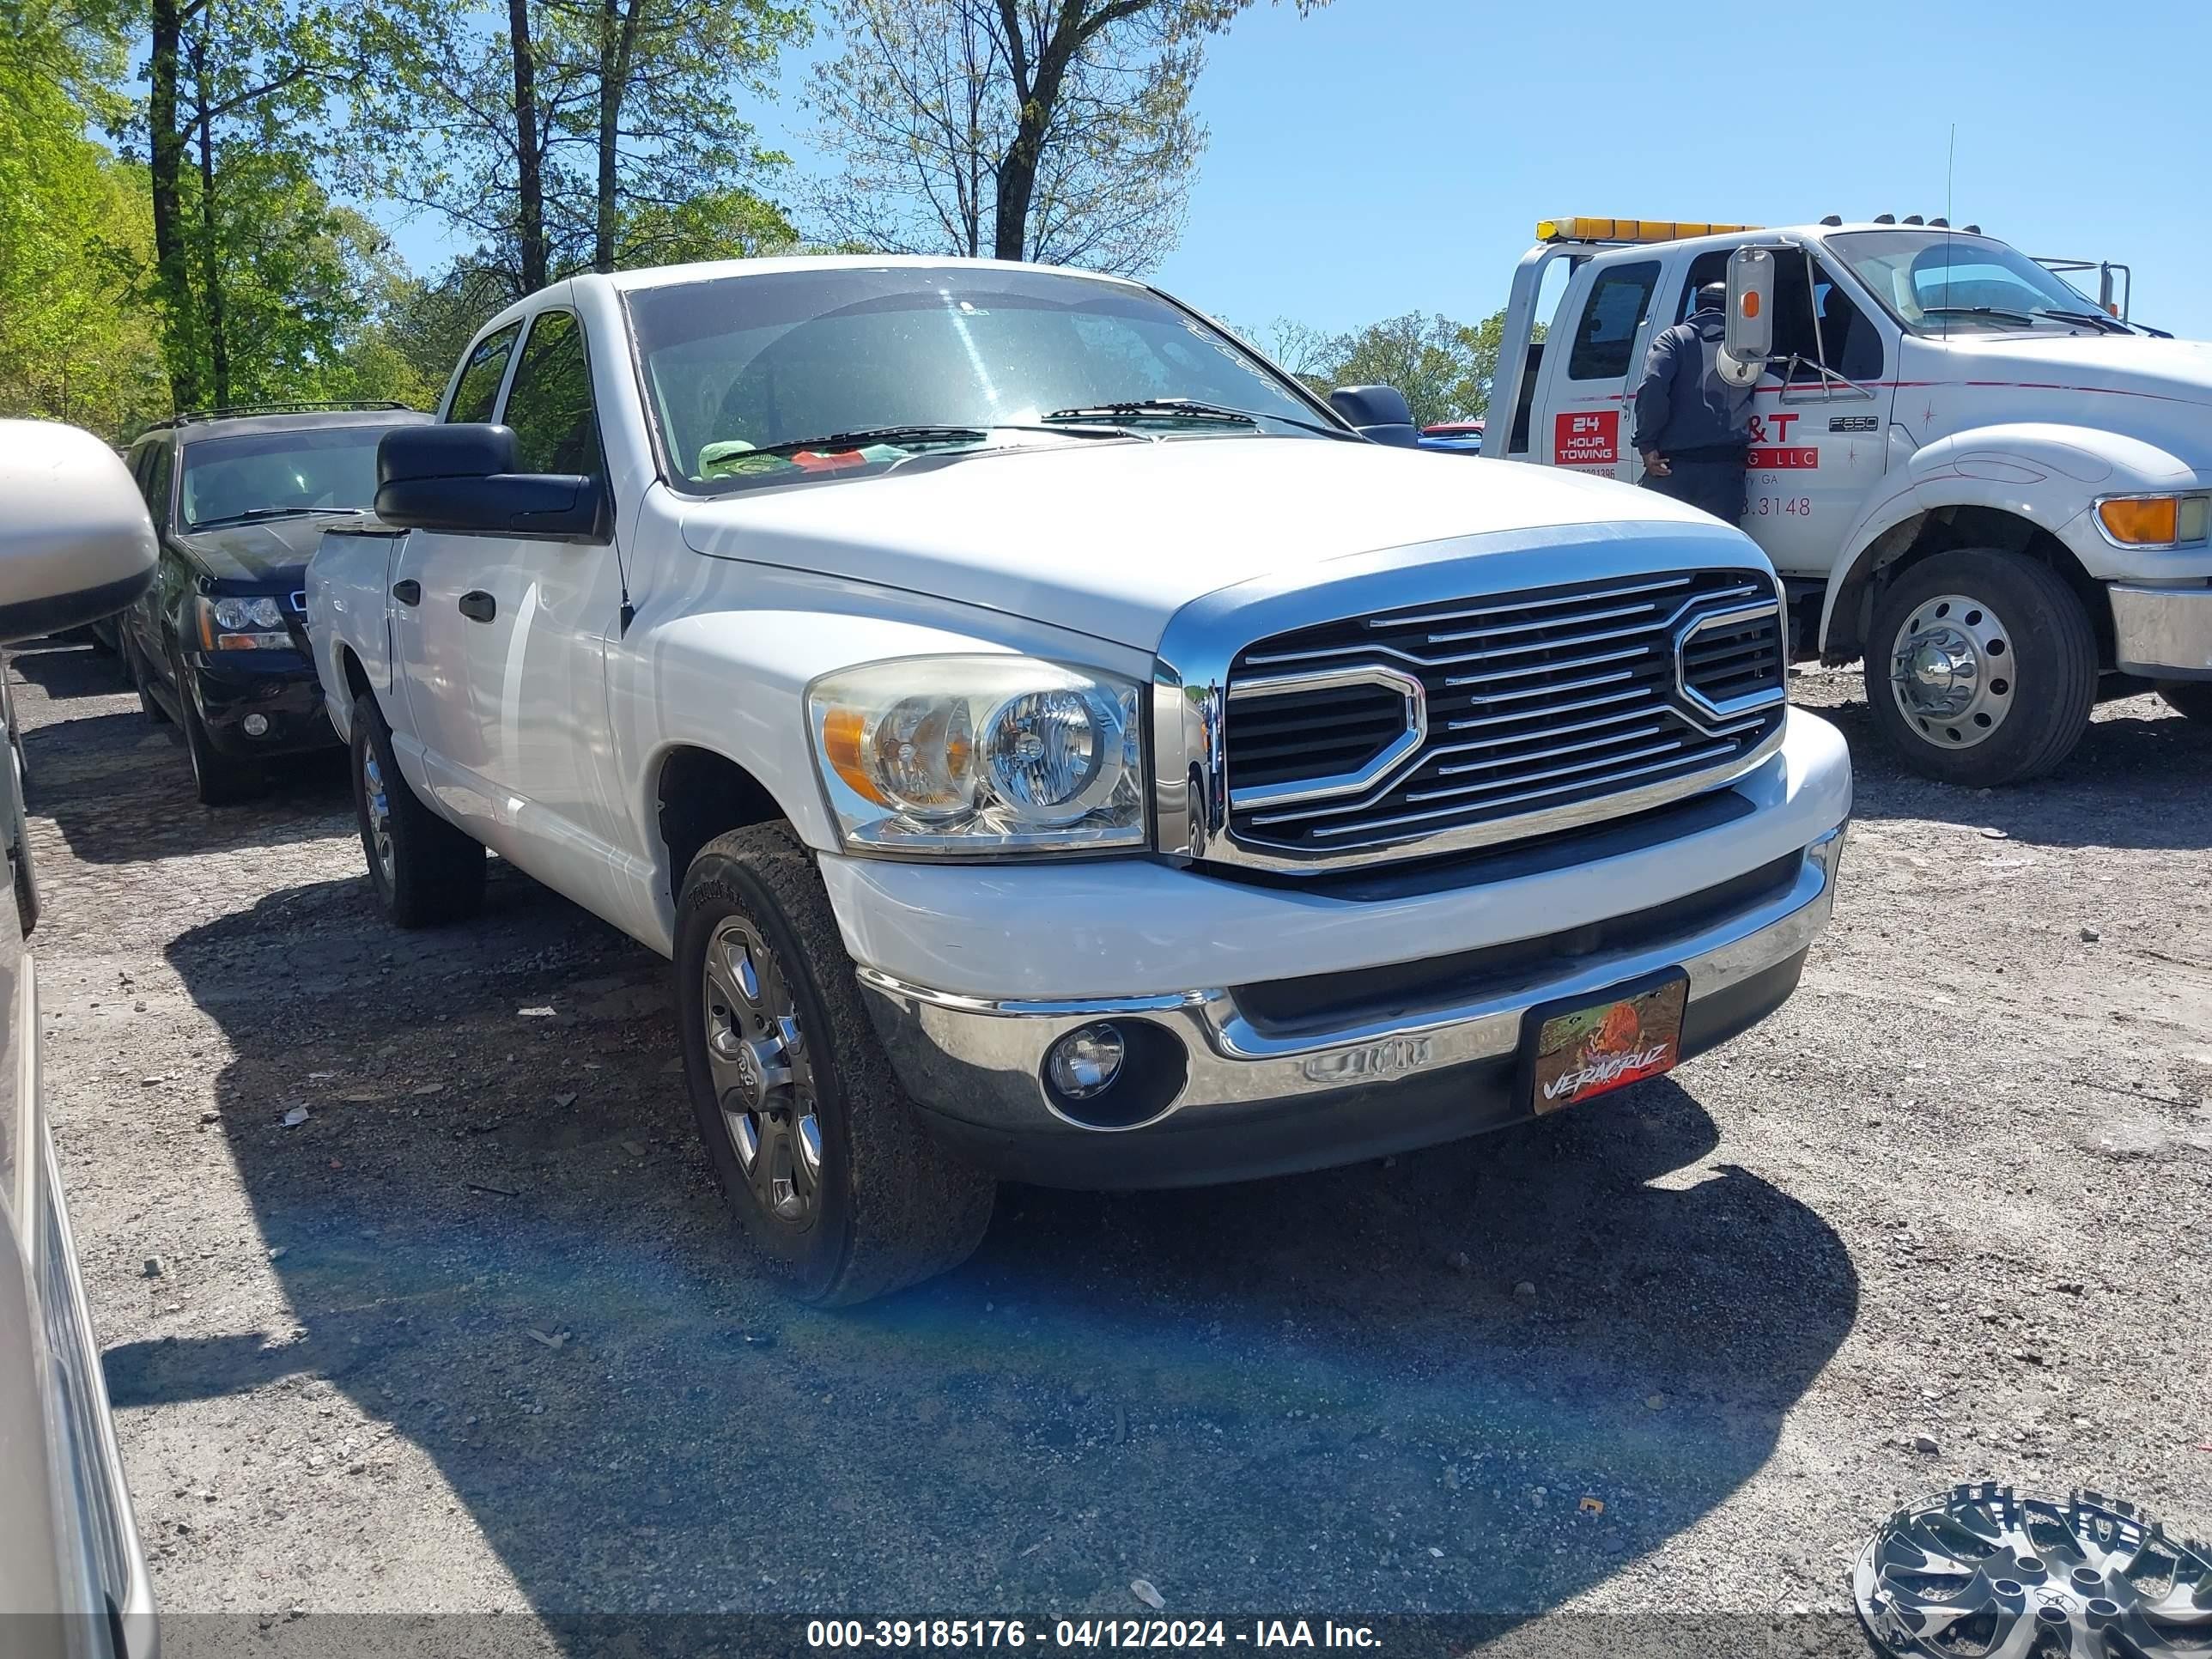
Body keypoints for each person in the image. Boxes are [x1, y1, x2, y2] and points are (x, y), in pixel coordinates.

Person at [1632, 281, 1754, 523]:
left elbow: (1652, 385)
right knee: (1721, 553)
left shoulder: (1674, 338)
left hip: (1672, 467)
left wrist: (1646, 444)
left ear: (1697, 307)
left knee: (1667, 551)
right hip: (1725, 469)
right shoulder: (1749, 347)